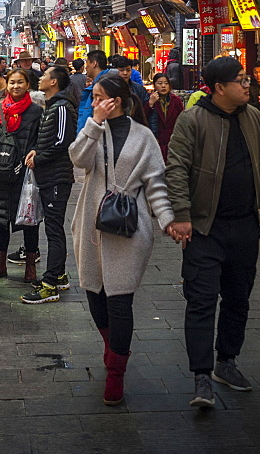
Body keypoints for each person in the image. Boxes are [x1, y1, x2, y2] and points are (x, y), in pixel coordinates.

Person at [165, 56, 260, 409]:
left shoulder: (251, 117)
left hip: (246, 226)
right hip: (205, 228)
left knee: (237, 299)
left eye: (247, 79)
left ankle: (227, 362)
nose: (247, 85)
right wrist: (183, 215)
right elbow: (176, 170)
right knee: (201, 302)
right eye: (241, 80)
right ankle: (201, 376)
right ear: (219, 87)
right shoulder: (193, 120)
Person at [69, 73, 175, 406]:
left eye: (100, 97)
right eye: (94, 97)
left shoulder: (143, 137)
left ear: (119, 100)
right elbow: (78, 160)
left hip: (129, 229)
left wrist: (168, 219)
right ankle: (111, 346)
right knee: (95, 295)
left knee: (120, 302)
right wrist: (94, 123)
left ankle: (116, 372)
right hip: (92, 226)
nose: (95, 102)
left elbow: (156, 183)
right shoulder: (93, 130)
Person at [21, 66, 77, 304]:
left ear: (53, 82)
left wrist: (39, 158)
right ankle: (60, 275)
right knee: (53, 228)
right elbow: (49, 140)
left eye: (44, 76)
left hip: (57, 176)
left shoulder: (63, 107)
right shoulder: (52, 106)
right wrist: (36, 150)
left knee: (54, 230)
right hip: (49, 176)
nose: (40, 78)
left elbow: (63, 141)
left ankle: (50, 283)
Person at [0, 69, 42, 283]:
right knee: (0, 220)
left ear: (28, 85)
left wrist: (35, 151)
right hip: (0, 171)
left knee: (29, 219)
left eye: (20, 82)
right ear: (6, 85)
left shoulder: (36, 111)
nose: (16, 86)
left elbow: (40, 137)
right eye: (12, 83)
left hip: (25, 173)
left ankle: (30, 266)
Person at [146, 72, 184, 162]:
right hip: (156, 140)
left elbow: (181, 119)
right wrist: (150, 103)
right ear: (154, 85)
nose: (163, 86)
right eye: (160, 83)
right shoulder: (149, 98)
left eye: (166, 83)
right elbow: (143, 117)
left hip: (172, 140)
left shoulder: (176, 100)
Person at [76, 50, 112, 133]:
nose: (85, 67)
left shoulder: (104, 85)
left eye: (87, 63)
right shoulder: (96, 84)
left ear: (94, 63)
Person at [111, 55, 149, 125]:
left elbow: (146, 110)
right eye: (121, 70)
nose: (125, 73)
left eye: (128, 70)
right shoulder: (109, 88)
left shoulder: (139, 89)